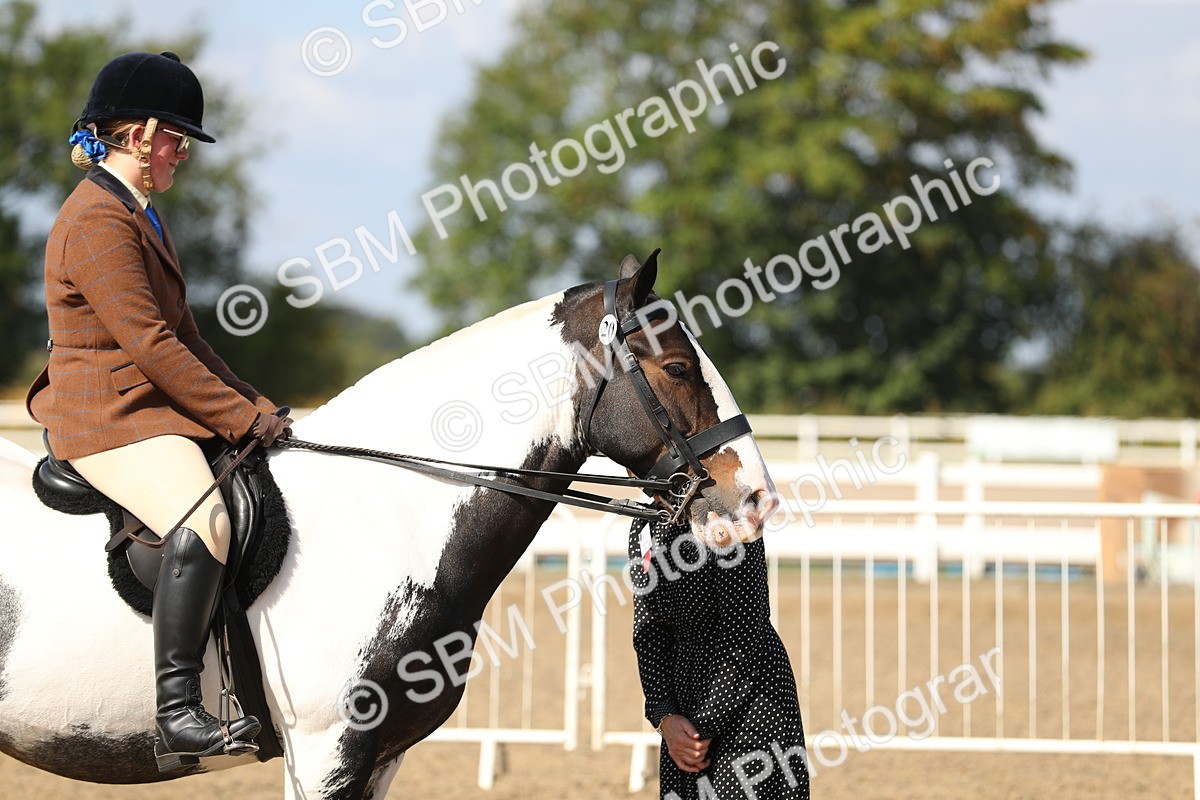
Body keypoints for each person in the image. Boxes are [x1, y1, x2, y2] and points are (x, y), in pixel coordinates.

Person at [25, 51, 292, 772]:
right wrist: (236, 420)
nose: (182, 151)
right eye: (176, 137)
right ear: (139, 134)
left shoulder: (138, 212)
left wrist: (252, 403)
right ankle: (178, 711)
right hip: (105, 414)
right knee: (204, 515)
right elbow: (147, 343)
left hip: (142, 403)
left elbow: (187, 335)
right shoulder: (98, 221)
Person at [629, 518, 810, 799]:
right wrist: (665, 715)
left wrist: (702, 727)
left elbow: (744, 630)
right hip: (683, 712)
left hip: (749, 700)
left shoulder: (729, 514)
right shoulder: (644, 525)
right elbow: (648, 628)